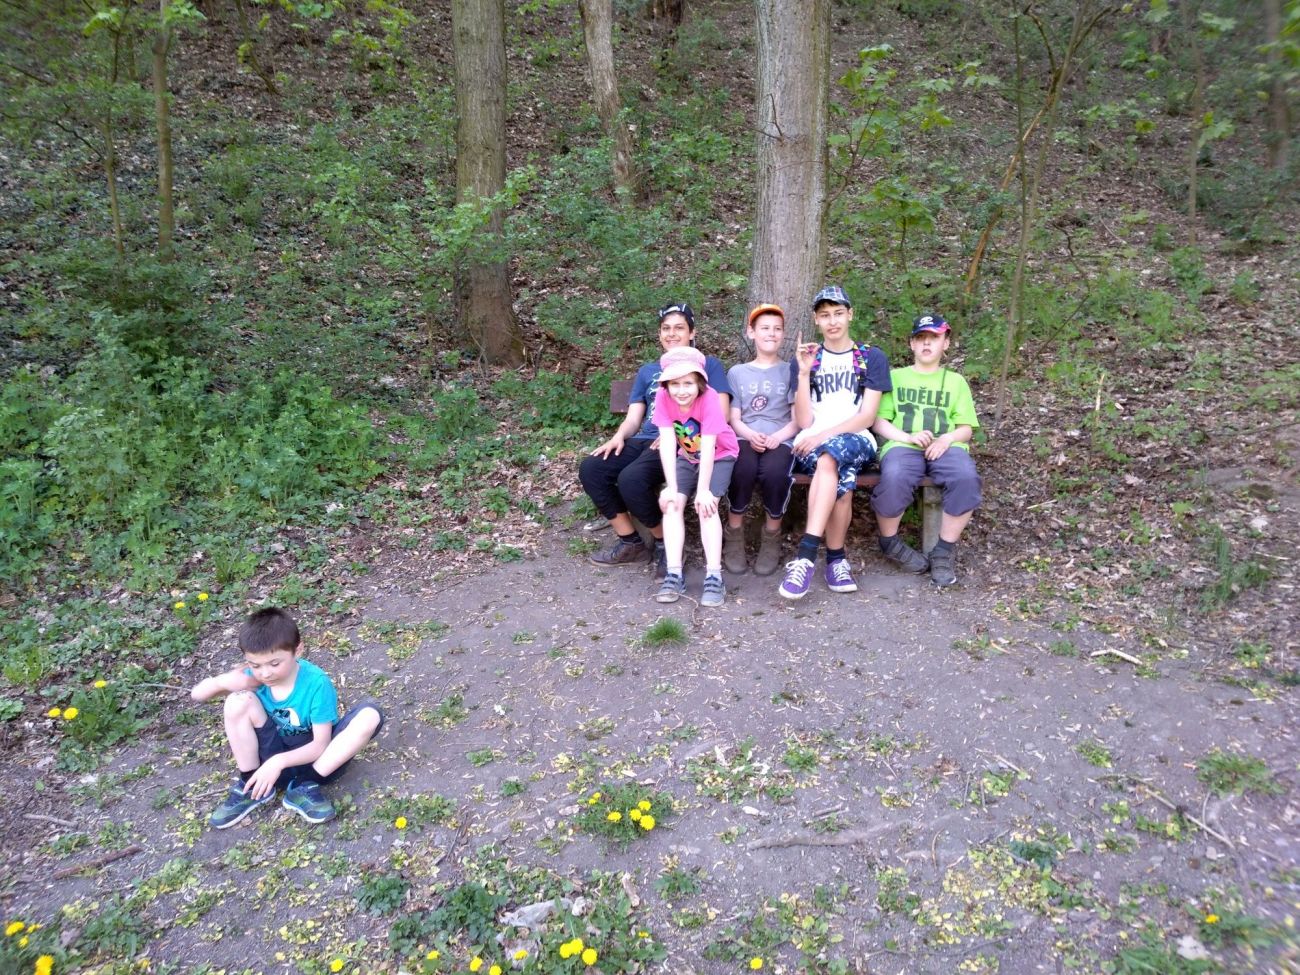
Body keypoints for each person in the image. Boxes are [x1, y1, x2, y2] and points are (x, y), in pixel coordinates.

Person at [190, 607, 384, 828]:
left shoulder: (316, 683)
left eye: (275, 664)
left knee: (370, 715)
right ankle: (251, 784)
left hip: (317, 763)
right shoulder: (251, 679)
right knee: (237, 701)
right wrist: (222, 682)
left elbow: (320, 745)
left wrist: (278, 762)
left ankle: (304, 786)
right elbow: (197, 695)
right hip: (267, 767)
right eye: (255, 665)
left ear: (297, 650)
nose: (265, 673)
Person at [579, 303, 730, 575]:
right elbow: (634, 418)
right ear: (659, 334)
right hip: (645, 439)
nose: (672, 334)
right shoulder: (648, 371)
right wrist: (618, 437)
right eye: (666, 329)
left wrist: (676, 433)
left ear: (692, 332)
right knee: (592, 468)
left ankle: (664, 544)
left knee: (631, 479)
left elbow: (721, 413)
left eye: (679, 328)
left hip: (679, 442)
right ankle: (631, 542)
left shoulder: (708, 365)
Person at [778, 285, 891, 600]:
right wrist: (803, 374)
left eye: (838, 313)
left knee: (830, 456)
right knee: (843, 479)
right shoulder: (806, 359)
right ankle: (836, 560)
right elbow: (803, 421)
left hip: (856, 438)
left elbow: (867, 416)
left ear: (850, 315)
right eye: (825, 315)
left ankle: (805, 557)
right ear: (816, 319)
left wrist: (823, 435)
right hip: (810, 441)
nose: (832, 321)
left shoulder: (870, 357)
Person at [871, 313, 982, 586]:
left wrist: (946, 439)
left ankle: (943, 550)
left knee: (965, 477)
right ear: (911, 344)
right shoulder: (895, 377)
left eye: (934, 337)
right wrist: (907, 437)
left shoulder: (956, 382)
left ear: (946, 343)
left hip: (946, 447)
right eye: (920, 337)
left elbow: (966, 428)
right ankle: (889, 542)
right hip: (903, 444)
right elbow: (878, 421)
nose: (927, 343)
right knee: (895, 475)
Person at [651, 346, 739, 606]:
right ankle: (674, 573)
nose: (681, 390)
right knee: (671, 504)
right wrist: (671, 487)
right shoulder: (663, 397)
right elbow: (668, 441)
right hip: (688, 456)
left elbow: (710, 445)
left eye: (688, 383)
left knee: (706, 507)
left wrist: (703, 491)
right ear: (666, 385)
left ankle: (714, 576)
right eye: (674, 384)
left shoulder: (709, 397)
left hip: (720, 454)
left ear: (699, 382)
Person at [724, 303, 799, 577]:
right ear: (751, 332)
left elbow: (797, 418)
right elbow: (734, 417)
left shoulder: (791, 370)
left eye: (777, 329)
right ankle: (734, 534)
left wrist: (777, 437)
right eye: (764, 328)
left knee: (776, 473)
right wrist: (749, 434)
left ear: (783, 335)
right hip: (745, 436)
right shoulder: (737, 372)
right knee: (741, 469)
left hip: (781, 438)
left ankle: (771, 535)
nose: (771, 333)